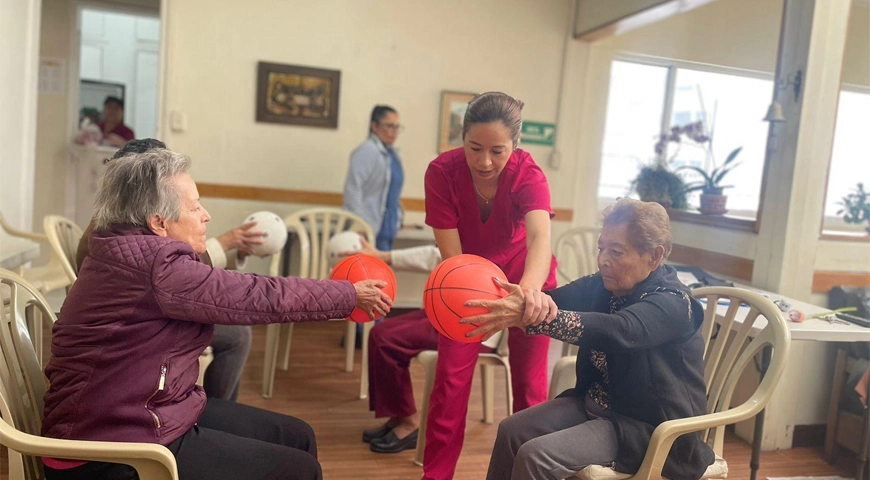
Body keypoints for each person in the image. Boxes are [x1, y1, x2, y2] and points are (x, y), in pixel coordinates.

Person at [42, 148, 393, 480]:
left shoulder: (121, 247)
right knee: (300, 469)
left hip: (141, 416)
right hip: (109, 451)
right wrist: (349, 295)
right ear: (159, 222)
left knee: (298, 436)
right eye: (195, 207)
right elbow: (258, 296)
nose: (206, 215)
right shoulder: (157, 265)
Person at [366, 92, 557, 479]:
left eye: (497, 151)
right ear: (462, 138)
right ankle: (436, 475)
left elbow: (540, 239)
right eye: (475, 148)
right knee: (450, 385)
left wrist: (528, 294)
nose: (484, 161)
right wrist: (479, 298)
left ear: (515, 146)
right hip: (468, 285)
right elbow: (453, 260)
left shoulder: (529, 174)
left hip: (529, 285)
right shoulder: (441, 172)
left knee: (529, 390)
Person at [464, 199, 714, 480]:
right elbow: (550, 302)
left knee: (536, 455)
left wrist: (535, 316)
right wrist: (517, 305)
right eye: (601, 248)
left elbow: (621, 330)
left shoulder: (674, 303)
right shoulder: (603, 284)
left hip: (649, 427)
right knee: (511, 431)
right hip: (597, 405)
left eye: (616, 252)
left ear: (654, 257)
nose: (603, 260)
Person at [75, 138, 263, 402]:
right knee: (236, 334)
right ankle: (217, 412)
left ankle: (218, 412)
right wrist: (226, 243)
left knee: (237, 330)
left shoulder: (112, 224)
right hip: (139, 337)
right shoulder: (116, 237)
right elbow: (190, 273)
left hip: (149, 319)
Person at [343, 105, 404, 251]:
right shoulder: (367, 151)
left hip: (387, 226)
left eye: (397, 127)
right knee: (369, 273)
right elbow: (353, 189)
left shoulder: (391, 153)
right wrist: (358, 225)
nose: (394, 132)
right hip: (367, 227)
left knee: (382, 272)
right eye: (389, 126)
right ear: (374, 126)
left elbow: (390, 191)